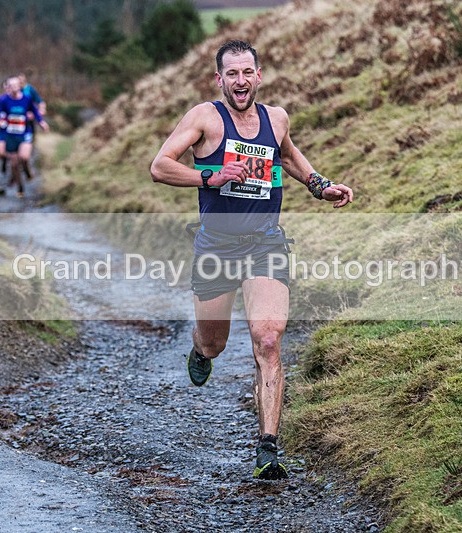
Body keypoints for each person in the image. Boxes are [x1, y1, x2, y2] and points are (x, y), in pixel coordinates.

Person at [150, 40, 353, 480]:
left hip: (265, 243)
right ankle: (200, 350)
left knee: (267, 340)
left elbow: (287, 154)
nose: (240, 82)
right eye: (231, 74)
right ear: (218, 79)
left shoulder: (275, 118)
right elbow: (160, 166)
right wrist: (211, 174)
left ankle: (268, 449)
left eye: (248, 73)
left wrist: (321, 185)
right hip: (216, 248)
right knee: (215, 342)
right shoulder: (204, 118)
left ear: (258, 76)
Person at [0, 76, 48, 197]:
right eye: (10, 86)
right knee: (14, 163)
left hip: (25, 132)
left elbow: (35, 111)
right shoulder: (3, 100)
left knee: (24, 157)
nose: (12, 88)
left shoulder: (26, 98)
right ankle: (20, 187)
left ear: (19, 86)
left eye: (15, 86)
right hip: (10, 134)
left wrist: (41, 122)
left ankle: (28, 172)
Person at [18, 72, 46, 141]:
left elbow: (39, 101)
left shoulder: (30, 89)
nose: (20, 82)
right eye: (19, 80)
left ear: (25, 80)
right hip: (18, 117)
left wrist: (42, 109)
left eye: (22, 80)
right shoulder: (15, 90)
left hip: (29, 117)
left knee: (29, 136)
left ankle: (30, 144)